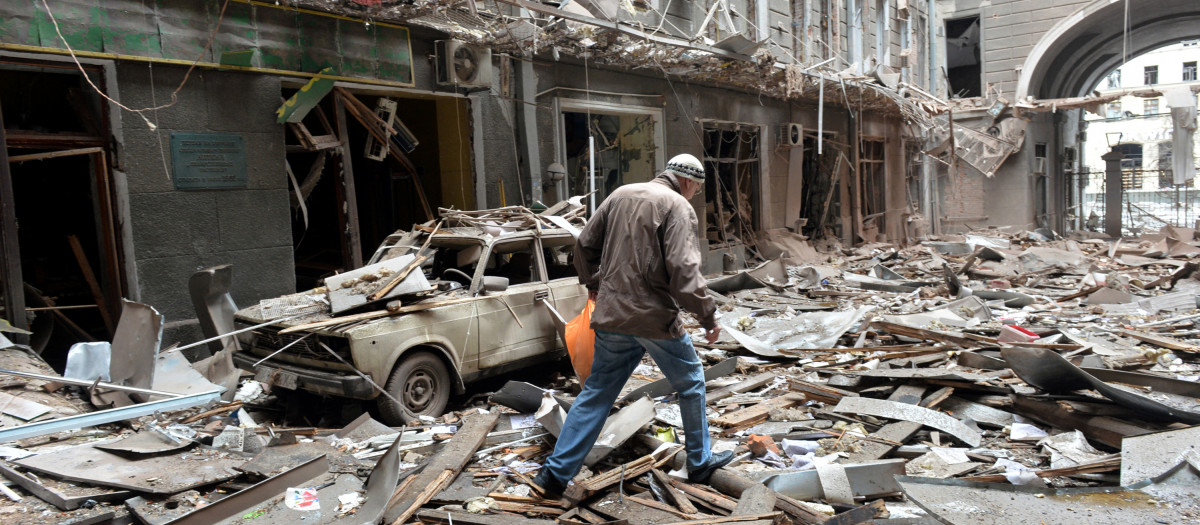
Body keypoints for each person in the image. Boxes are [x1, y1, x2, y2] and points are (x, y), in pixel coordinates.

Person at [533, 153, 732, 499]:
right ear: (688, 181)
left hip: (612, 314)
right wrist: (708, 316)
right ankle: (699, 461)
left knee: (596, 394)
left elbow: (583, 245)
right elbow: (684, 270)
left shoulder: (620, 194)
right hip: (654, 317)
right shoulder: (677, 206)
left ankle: (553, 476)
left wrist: (592, 283)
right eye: (696, 189)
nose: (694, 195)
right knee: (691, 383)